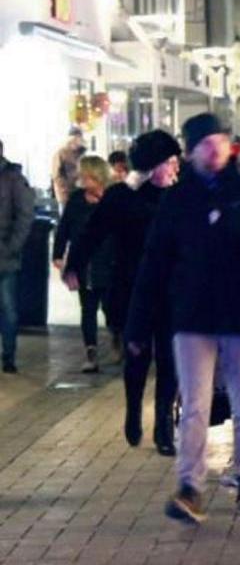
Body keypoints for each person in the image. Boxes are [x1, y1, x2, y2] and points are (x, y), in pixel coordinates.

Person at [126, 112, 240, 523]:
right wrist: (138, 325)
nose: (215, 151)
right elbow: (155, 261)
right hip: (193, 316)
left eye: (221, 142)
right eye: (205, 144)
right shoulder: (177, 200)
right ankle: (189, 486)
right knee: (194, 404)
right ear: (192, 151)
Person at [66, 130, 181, 453]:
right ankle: (133, 411)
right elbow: (92, 232)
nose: (175, 168)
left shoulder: (180, 196)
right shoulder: (121, 197)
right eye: (170, 162)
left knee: (171, 360)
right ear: (153, 166)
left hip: (171, 291)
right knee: (137, 357)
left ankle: (163, 428)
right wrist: (74, 264)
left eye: (176, 162)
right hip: (132, 292)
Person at [53, 155, 114, 374]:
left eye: (86, 176)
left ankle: (117, 337)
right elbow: (64, 228)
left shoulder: (112, 198)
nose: (82, 180)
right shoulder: (77, 200)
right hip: (84, 263)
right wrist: (58, 254)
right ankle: (91, 352)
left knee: (111, 307)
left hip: (110, 263)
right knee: (87, 310)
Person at [0, 139, 36, 374]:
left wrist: (11, 247)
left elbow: (25, 216)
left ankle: (9, 355)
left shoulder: (13, 179)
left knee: (8, 307)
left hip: (4, 256)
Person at [52, 127, 86, 209]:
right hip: (66, 193)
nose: (77, 140)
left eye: (79, 138)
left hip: (79, 192)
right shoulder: (61, 153)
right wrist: (65, 187)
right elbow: (56, 174)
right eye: (75, 138)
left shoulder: (81, 153)